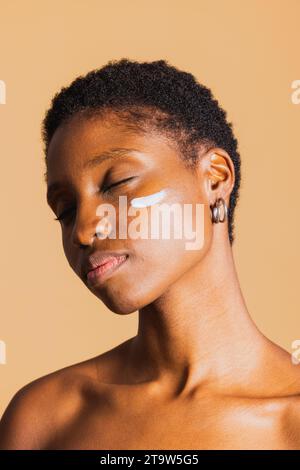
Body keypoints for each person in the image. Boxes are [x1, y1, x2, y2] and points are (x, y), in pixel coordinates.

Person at [0, 58, 299, 450]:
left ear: (215, 178)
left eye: (118, 183)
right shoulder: (45, 418)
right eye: (66, 210)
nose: (84, 229)